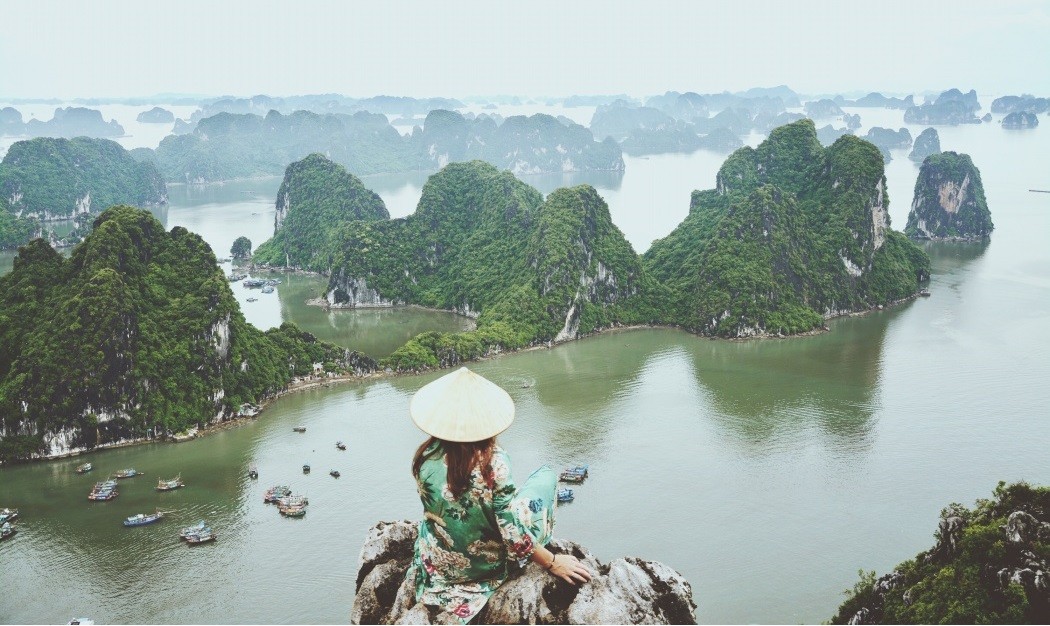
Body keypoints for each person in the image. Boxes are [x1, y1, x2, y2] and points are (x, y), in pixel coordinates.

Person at [407, 367, 592, 624]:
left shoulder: (424, 457)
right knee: (546, 476)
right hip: (484, 565)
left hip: (440, 557)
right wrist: (551, 562)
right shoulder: (493, 464)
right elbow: (512, 533)